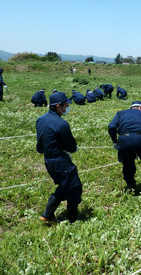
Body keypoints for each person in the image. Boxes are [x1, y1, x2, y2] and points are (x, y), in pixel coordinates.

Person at [36, 92, 82, 223]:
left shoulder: (40, 119)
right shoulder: (62, 124)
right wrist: (72, 149)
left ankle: (48, 214)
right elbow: (71, 147)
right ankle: (73, 219)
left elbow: (41, 143)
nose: (67, 107)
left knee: (65, 185)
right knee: (74, 187)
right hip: (60, 161)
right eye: (66, 105)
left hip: (49, 160)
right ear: (58, 106)